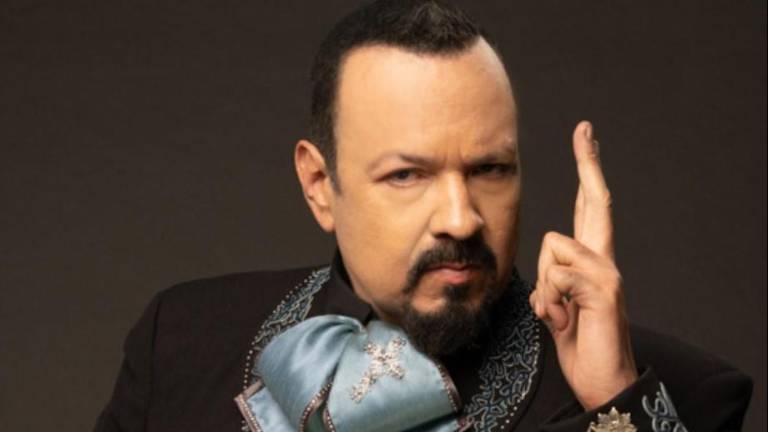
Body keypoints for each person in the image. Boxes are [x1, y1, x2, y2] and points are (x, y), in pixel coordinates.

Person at [95, 1, 753, 431]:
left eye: (489, 169)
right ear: (319, 185)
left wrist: (614, 403)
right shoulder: (181, 342)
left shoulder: (683, 396)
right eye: (407, 175)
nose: (461, 220)